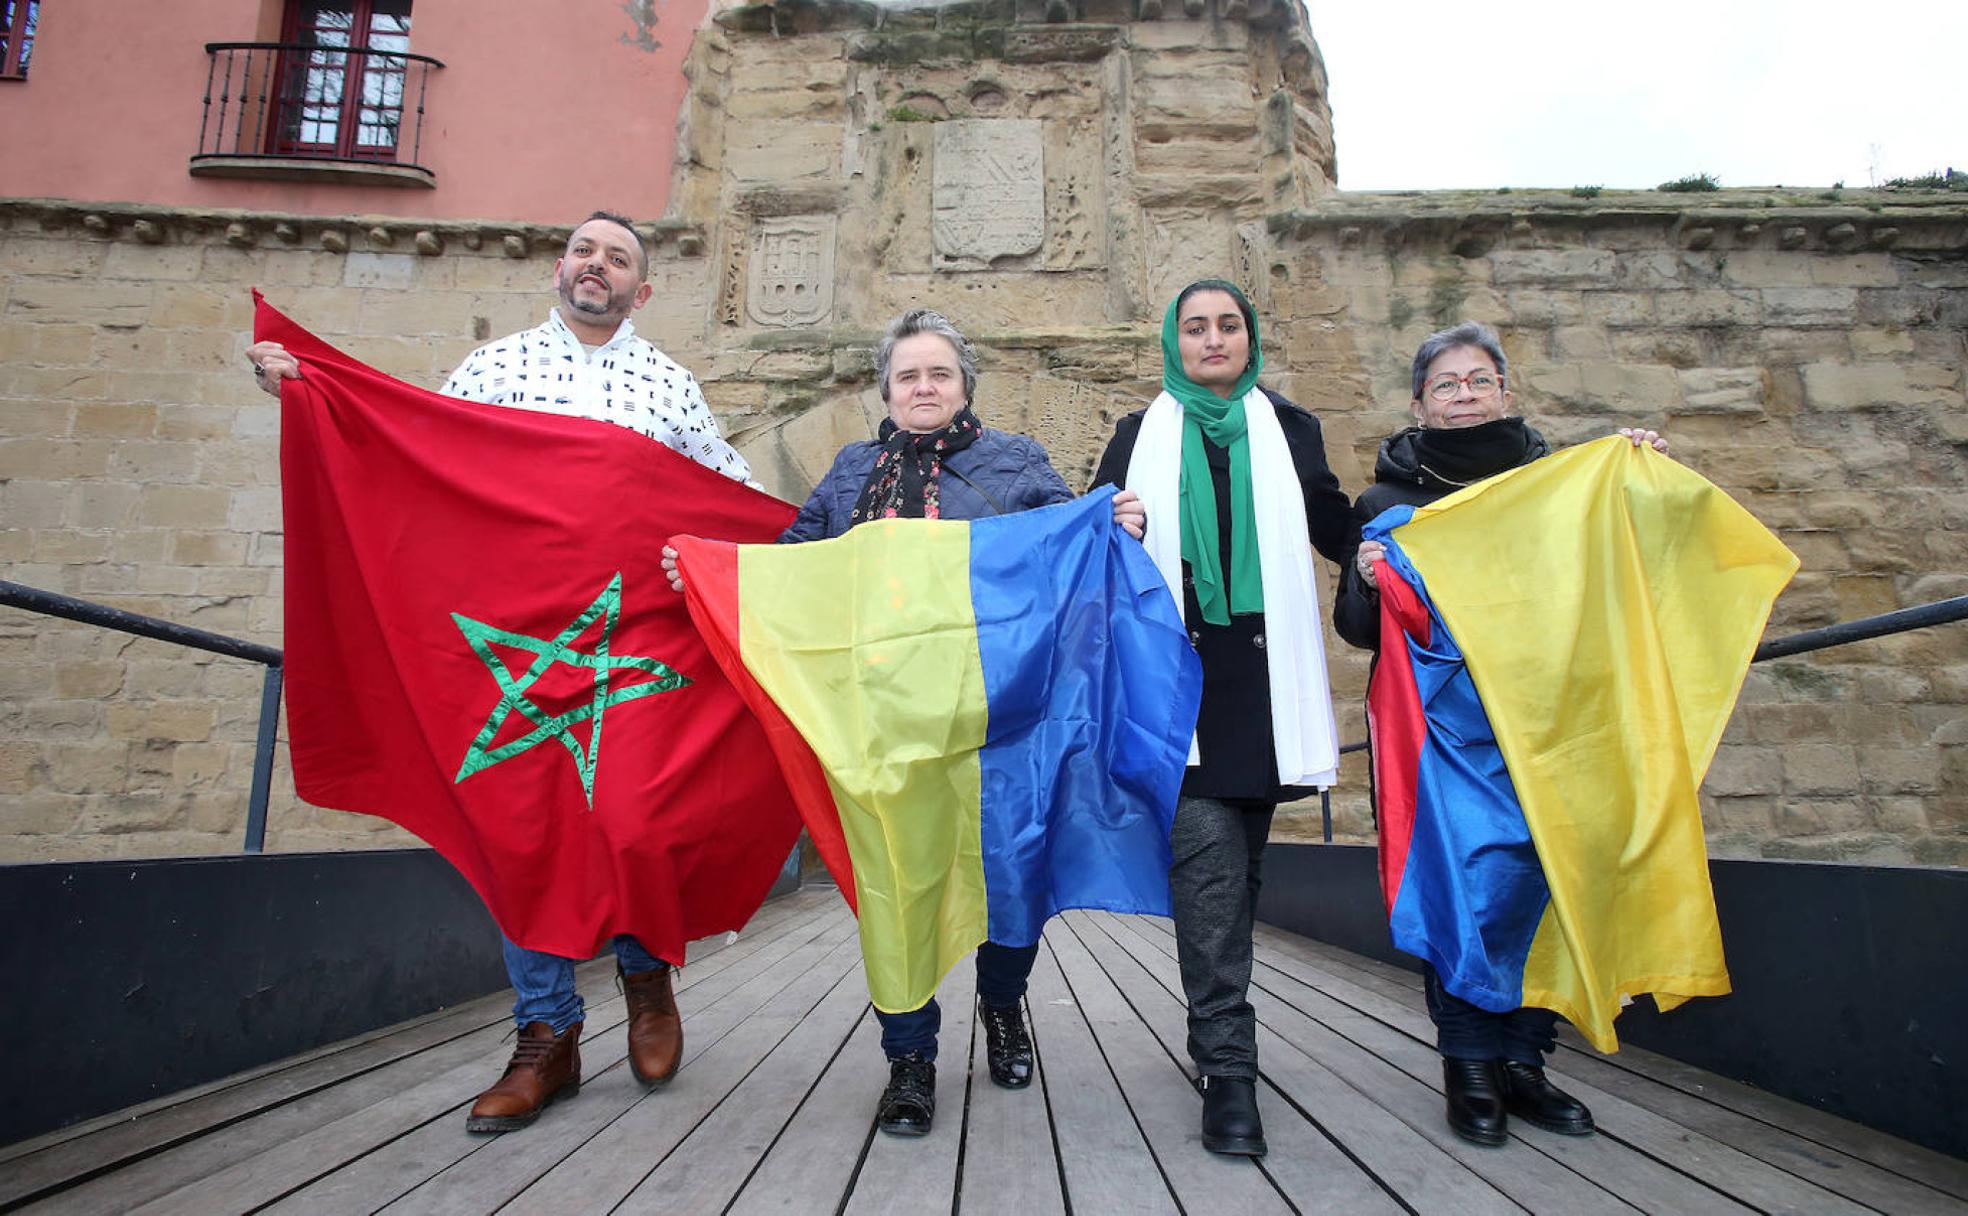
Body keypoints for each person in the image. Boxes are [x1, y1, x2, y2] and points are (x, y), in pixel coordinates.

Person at [248, 210, 757, 1134]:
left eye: (619, 258)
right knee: (519, 828)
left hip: (631, 636)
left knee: (633, 815)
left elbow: (728, 488)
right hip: (509, 638)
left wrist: (824, 535)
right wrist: (312, 388)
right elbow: (413, 449)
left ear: (641, 290)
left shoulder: (669, 384)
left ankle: (646, 976)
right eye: (585, 250)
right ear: (561, 268)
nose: (596, 265)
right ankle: (547, 1035)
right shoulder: (494, 369)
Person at [665, 307, 1144, 1138]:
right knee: (896, 890)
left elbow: (1065, 548)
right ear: (886, 390)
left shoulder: (1017, 462)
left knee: (1009, 879)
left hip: (1001, 720)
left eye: (940, 374)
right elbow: (793, 568)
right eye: (908, 375)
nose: (924, 388)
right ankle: (910, 1059)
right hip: (885, 726)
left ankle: (1003, 1006)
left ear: (964, 386)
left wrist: (1110, 528)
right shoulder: (853, 473)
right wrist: (709, 570)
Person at [1332, 320, 1665, 1148]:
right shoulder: (1386, 503)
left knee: (1547, 879)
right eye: (1447, 384)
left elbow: (1624, 565)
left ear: (1505, 392)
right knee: (1459, 887)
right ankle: (1469, 1064)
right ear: (1420, 403)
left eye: (1479, 380)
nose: (1465, 395)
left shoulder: (1559, 486)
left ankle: (1526, 1061)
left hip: (1548, 723)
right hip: (1441, 733)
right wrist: (1370, 579)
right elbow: (1356, 626)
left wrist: (1638, 476)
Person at [1091, 279, 1356, 1158]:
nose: (1212, 340)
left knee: (1237, 876)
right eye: (1195, 328)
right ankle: (1230, 1069)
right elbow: (1093, 539)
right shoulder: (1139, 434)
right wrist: (1112, 519)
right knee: (1207, 877)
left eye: (1228, 326)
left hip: (1268, 687)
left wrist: (1416, 516)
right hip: (1183, 683)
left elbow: (1341, 531)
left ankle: (1215, 1041)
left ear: (1250, 339)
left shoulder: (1292, 428)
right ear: (1174, 341)